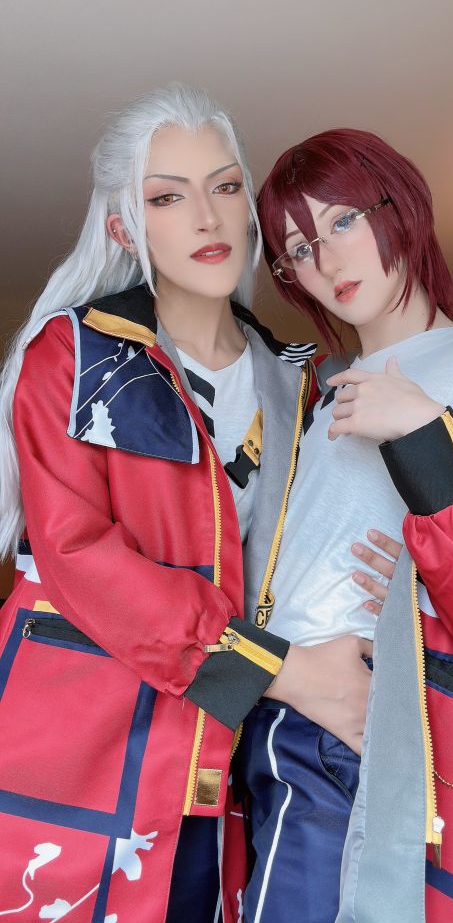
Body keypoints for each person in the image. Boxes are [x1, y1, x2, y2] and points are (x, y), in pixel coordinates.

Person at [0, 88, 372, 923]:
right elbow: (79, 556)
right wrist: (284, 672)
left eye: (226, 186)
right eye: (167, 197)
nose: (208, 217)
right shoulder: (75, 354)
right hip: (74, 748)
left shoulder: (300, 381)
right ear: (124, 228)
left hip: (224, 760)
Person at [242, 127, 453, 923]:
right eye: (299, 249)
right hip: (275, 701)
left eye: (343, 220)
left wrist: (421, 433)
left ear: (403, 208)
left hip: (359, 723)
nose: (327, 260)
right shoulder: (315, 390)